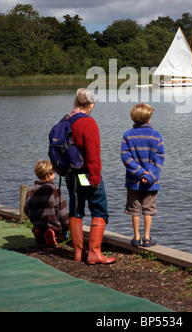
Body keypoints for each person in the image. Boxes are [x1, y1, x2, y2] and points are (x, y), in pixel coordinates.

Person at [66, 88, 115, 265]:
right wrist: (94, 178)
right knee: (99, 210)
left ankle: (78, 252)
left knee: (76, 210)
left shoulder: (68, 120)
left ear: (75, 103)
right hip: (85, 174)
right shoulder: (88, 123)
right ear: (91, 105)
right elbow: (93, 155)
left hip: (71, 175)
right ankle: (94, 252)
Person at [121, 103, 165, 247]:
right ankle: (146, 238)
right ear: (148, 118)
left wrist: (139, 173)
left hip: (133, 180)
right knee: (148, 209)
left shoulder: (127, 135)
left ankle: (136, 237)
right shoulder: (156, 135)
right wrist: (149, 175)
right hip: (151, 182)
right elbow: (159, 157)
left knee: (135, 210)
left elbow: (126, 158)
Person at [24, 160, 69, 248]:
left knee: (39, 228)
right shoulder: (55, 190)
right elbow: (63, 211)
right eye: (53, 173)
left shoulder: (30, 190)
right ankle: (54, 234)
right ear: (49, 175)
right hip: (54, 225)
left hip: (37, 224)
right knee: (65, 234)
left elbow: (26, 210)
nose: (54, 175)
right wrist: (67, 224)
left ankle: (39, 232)